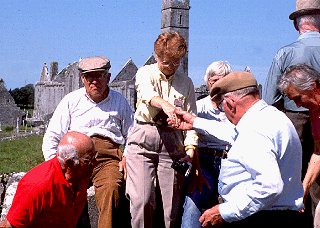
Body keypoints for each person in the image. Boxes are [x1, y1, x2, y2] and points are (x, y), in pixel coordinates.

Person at [169, 71, 304, 227]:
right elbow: (234, 135)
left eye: (221, 106)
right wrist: (194, 122)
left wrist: (225, 212)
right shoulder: (270, 118)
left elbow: (269, 186)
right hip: (279, 215)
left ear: (230, 103)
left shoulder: (255, 129)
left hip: (263, 218)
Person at [42, 56, 134, 228]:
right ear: (82, 78)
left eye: (99, 76)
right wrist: (55, 165)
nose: (94, 81)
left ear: (108, 77)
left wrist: (127, 156)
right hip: (74, 160)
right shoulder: (71, 100)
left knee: (112, 189)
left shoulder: (119, 101)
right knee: (66, 192)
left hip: (107, 159)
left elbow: (133, 134)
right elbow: (52, 137)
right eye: (88, 77)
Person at [124, 31, 202, 228]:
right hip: (143, 138)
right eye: (167, 63)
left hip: (172, 143)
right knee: (141, 202)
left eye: (177, 63)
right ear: (157, 56)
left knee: (170, 209)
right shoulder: (145, 73)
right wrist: (167, 106)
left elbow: (192, 119)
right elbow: (147, 94)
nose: (172, 67)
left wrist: (190, 149)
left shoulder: (187, 83)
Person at [0, 131, 96, 228]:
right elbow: (9, 225)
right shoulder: (37, 185)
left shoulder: (81, 176)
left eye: (95, 157)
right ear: (70, 163)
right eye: (88, 160)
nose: (95, 163)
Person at [181, 61, 235, 228]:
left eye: (222, 80)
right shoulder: (199, 106)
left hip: (230, 161)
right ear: (207, 81)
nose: (218, 84)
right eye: (214, 80)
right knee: (192, 204)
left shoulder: (234, 106)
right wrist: (197, 170)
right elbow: (191, 139)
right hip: (203, 162)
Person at [278, 64, 320, 227]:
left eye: (297, 98)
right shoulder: (314, 111)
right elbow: (318, 152)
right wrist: (302, 191)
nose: (297, 105)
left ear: (313, 86)